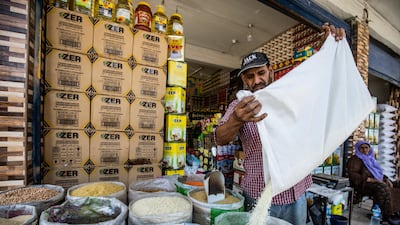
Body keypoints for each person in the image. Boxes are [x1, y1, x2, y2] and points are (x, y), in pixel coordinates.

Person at [214, 23, 346, 225]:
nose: (257, 80)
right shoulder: (239, 104)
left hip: (297, 191)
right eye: (250, 76)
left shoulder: (288, 95)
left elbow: (316, 82)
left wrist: (326, 51)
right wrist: (236, 119)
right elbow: (220, 138)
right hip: (260, 194)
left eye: (261, 73)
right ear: (243, 80)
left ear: (271, 71)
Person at [347, 140, 400, 224]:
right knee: (382, 187)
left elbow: (378, 172)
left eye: (366, 147)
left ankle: (396, 211)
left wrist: (386, 179)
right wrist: (374, 180)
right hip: (363, 184)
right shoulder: (355, 160)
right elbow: (353, 175)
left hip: (377, 181)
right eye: (362, 148)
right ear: (358, 148)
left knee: (397, 185)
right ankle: (387, 215)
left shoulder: (370, 158)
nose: (364, 150)